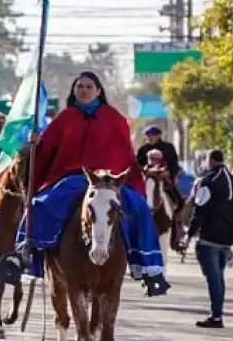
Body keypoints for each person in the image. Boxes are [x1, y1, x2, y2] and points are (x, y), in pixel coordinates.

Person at [19, 70, 170, 296]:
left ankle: (151, 270)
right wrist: (36, 143)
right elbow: (46, 151)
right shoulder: (64, 118)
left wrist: (126, 179)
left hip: (111, 179)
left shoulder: (114, 118)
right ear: (74, 90)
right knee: (41, 203)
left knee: (138, 206)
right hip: (72, 177)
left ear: (98, 91)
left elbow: (125, 154)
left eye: (89, 86)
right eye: (79, 86)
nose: (84, 90)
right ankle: (25, 253)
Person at [185, 149, 233, 328]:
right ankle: (217, 312)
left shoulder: (208, 181)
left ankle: (216, 315)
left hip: (210, 236)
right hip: (227, 236)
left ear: (210, 160)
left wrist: (190, 233)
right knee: (219, 276)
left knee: (213, 277)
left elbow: (200, 208)